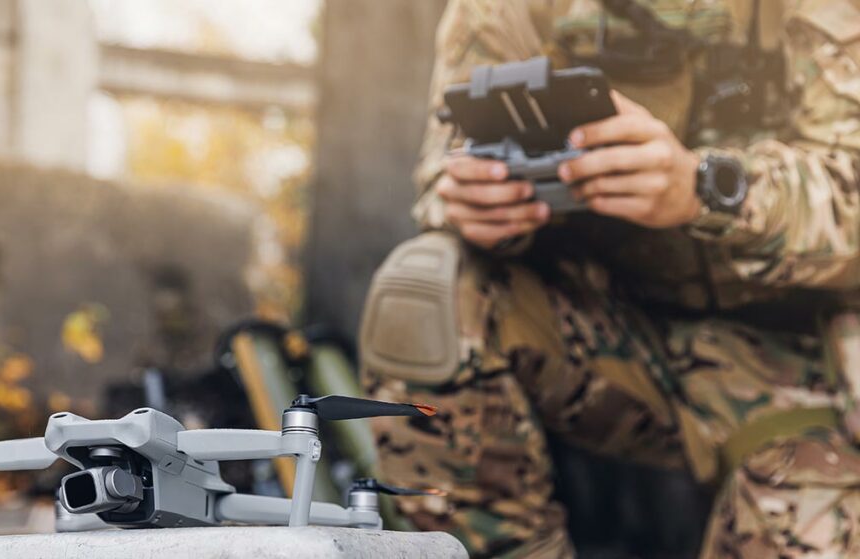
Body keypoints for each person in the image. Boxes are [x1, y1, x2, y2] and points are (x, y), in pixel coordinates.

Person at [359, 0, 860, 557]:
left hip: (807, 362)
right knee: (424, 290)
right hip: (609, 330)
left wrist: (706, 190)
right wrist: (476, 205)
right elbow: (442, 172)